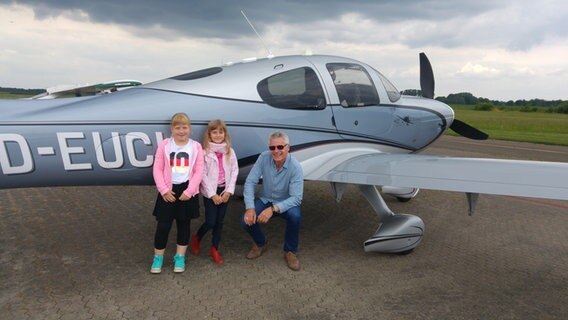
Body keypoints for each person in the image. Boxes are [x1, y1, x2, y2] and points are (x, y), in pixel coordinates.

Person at [241, 131, 304, 271]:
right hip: (266, 199)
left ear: (288, 147)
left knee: (295, 216)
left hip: (285, 203)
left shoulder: (296, 167)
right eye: (272, 148)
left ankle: (290, 251)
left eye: (280, 147)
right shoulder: (263, 158)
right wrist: (250, 207)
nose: (276, 151)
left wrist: (272, 209)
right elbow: (250, 182)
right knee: (245, 221)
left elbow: (296, 198)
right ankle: (260, 242)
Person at [150, 112, 204, 274]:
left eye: (184, 127)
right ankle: (158, 258)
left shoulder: (196, 147)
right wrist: (164, 190)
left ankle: (179, 257)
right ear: (172, 129)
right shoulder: (165, 145)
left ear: (190, 129)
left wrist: (190, 190)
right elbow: (157, 168)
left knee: (184, 225)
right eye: (178, 127)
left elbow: (199, 170)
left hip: (187, 190)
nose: (181, 131)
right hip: (169, 190)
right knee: (163, 226)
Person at [191, 119, 239, 264]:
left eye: (221, 132)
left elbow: (235, 171)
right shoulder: (205, 152)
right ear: (209, 134)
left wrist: (229, 191)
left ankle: (214, 248)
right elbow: (202, 174)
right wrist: (212, 194)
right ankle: (197, 237)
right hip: (210, 192)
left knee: (220, 222)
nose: (218, 135)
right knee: (211, 221)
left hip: (224, 191)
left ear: (225, 134)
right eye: (214, 132)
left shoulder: (230, 152)